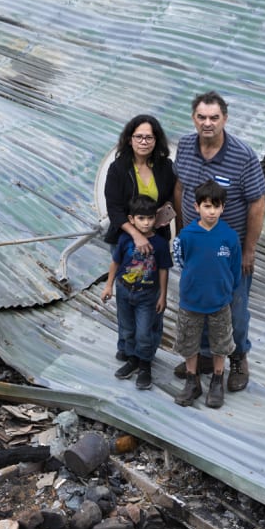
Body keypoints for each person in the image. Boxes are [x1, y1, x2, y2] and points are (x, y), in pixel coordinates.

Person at [172, 91, 265, 392]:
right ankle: (202, 357)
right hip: (196, 247)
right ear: (193, 119)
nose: (207, 123)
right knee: (197, 304)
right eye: (202, 117)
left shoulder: (243, 156)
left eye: (214, 117)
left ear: (225, 119)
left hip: (230, 250)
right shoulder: (186, 146)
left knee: (234, 308)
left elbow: (257, 204)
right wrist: (180, 229)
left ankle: (238, 357)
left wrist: (249, 250)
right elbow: (180, 187)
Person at [102, 113, 177, 361]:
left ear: (156, 140)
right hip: (126, 234)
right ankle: (127, 344)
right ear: (130, 139)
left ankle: (146, 350)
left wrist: (164, 217)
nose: (144, 141)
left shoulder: (165, 167)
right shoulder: (119, 168)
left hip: (156, 237)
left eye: (149, 137)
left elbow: (171, 197)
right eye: (139, 136)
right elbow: (113, 208)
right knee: (128, 290)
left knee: (150, 293)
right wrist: (135, 234)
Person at [171, 180, 242, 409]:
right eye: (207, 206)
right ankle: (192, 381)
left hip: (220, 302)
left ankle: (217, 380)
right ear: (196, 207)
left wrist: (226, 290)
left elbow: (234, 267)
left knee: (220, 344)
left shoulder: (229, 237)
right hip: (191, 301)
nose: (211, 211)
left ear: (223, 208)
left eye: (216, 206)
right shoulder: (186, 235)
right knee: (188, 342)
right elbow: (181, 262)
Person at [100, 195, 171, 390]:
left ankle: (145, 366)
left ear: (155, 219)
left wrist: (163, 295)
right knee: (127, 328)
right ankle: (132, 360)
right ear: (132, 219)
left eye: (149, 218)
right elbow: (115, 262)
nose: (146, 222)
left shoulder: (160, 244)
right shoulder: (125, 239)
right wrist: (108, 286)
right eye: (141, 218)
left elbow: (164, 269)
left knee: (144, 332)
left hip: (148, 296)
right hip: (124, 291)